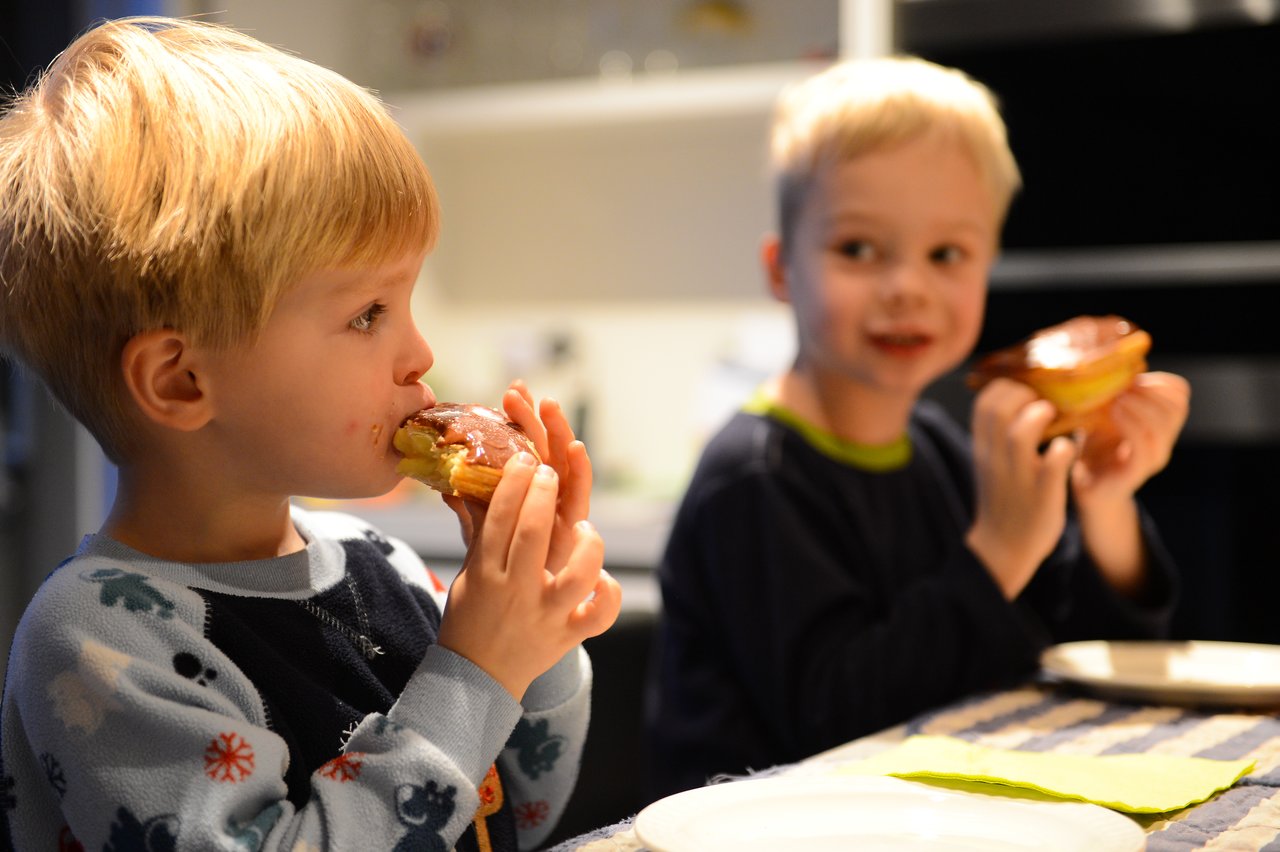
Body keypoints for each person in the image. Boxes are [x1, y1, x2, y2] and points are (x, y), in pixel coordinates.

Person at [0, 16, 621, 851]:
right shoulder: (101, 640)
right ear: (182, 381)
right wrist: (475, 668)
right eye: (367, 313)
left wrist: (530, 635)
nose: (421, 353)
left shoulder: (385, 565)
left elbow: (519, 813)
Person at [645, 56, 1190, 798]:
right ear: (781, 270)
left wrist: (1104, 503)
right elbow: (839, 727)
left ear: (986, 267)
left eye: (947, 254)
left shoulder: (941, 451)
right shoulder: (755, 479)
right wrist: (997, 550)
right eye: (858, 249)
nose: (907, 287)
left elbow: (1091, 661)